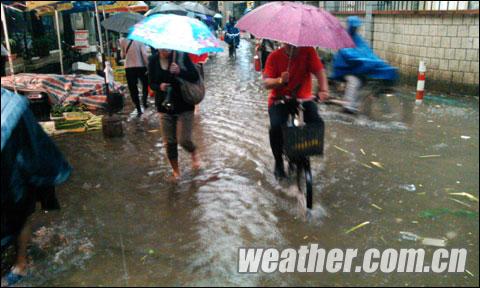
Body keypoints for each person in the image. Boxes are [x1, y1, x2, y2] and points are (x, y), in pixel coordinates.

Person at [1, 88, 71, 286]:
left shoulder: (13, 104)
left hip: (13, 173)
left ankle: (21, 264)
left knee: (20, 216)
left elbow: (34, 141)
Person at [263, 44, 329, 179]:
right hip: (279, 100)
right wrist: (280, 80)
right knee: (276, 127)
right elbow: (266, 83)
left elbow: (319, 71)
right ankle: (278, 162)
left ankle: (305, 151)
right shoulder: (274, 56)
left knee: (316, 122)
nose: (293, 46)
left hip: (303, 99)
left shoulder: (309, 52)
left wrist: (323, 90)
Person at [148, 49, 201, 181]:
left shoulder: (182, 56)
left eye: (167, 48)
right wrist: (159, 87)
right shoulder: (153, 60)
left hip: (184, 105)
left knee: (184, 140)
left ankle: (193, 152)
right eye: (162, 48)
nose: (165, 50)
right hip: (164, 106)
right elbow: (151, 83)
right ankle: (176, 172)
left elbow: (195, 76)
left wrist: (180, 72)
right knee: (169, 142)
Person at [331, 16, 398, 114]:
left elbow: (366, 51)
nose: (355, 29)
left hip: (357, 68)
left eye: (356, 27)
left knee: (364, 81)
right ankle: (348, 106)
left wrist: (376, 61)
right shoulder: (344, 38)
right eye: (353, 27)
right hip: (346, 68)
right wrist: (355, 58)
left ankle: (355, 104)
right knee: (354, 82)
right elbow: (345, 52)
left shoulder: (358, 39)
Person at [119, 35, 149, 117]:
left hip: (129, 67)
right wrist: (148, 66)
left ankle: (138, 108)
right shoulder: (140, 40)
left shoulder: (122, 40)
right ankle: (144, 101)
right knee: (145, 85)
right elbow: (144, 55)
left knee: (133, 88)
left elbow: (122, 56)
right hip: (141, 66)